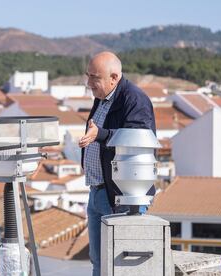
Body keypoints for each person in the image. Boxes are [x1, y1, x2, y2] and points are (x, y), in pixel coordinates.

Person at [78, 51, 156, 276]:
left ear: (114, 77)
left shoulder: (134, 99)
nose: (89, 83)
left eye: (95, 77)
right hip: (98, 191)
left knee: (120, 265)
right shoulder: (103, 97)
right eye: (88, 76)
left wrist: (99, 134)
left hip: (120, 196)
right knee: (99, 261)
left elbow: (137, 137)